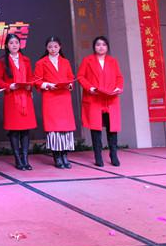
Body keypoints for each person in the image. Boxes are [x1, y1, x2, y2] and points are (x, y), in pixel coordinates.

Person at [77, 35, 124, 167]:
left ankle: (113, 155)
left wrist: (118, 87)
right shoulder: (87, 60)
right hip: (95, 97)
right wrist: (89, 88)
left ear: (107, 47)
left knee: (112, 128)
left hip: (110, 98)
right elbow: (80, 77)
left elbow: (119, 77)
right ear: (94, 47)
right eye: (98, 44)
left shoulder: (112, 61)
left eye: (103, 44)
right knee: (96, 128)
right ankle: (98, 156)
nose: (101, 47)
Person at [0, 34, 37, 170]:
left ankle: (25, 160)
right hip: (12, 98)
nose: (14, 45)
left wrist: (30, 85)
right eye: (11, 43)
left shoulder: (26, 60)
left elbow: (31, 77)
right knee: (14, 130)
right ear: (7, 45)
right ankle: (18, 160)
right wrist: (9, 86)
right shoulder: (3, 61)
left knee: (25, 130)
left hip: (25, 97)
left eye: (16, 43)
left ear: (20, 44)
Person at [34, 36, 76, 169]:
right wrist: (47, 85)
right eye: (50, 47)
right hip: (50, 98)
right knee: (54, 129)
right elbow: (37, 81)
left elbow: (71, 78)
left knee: (65, 128)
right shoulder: (41, 63)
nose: (53, 49)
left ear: (60, 47)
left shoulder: (65, 62)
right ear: (46, 48)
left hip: (64, 97)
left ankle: (65, 155)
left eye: (55, 46)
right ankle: (57, 156)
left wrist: (70, 85)